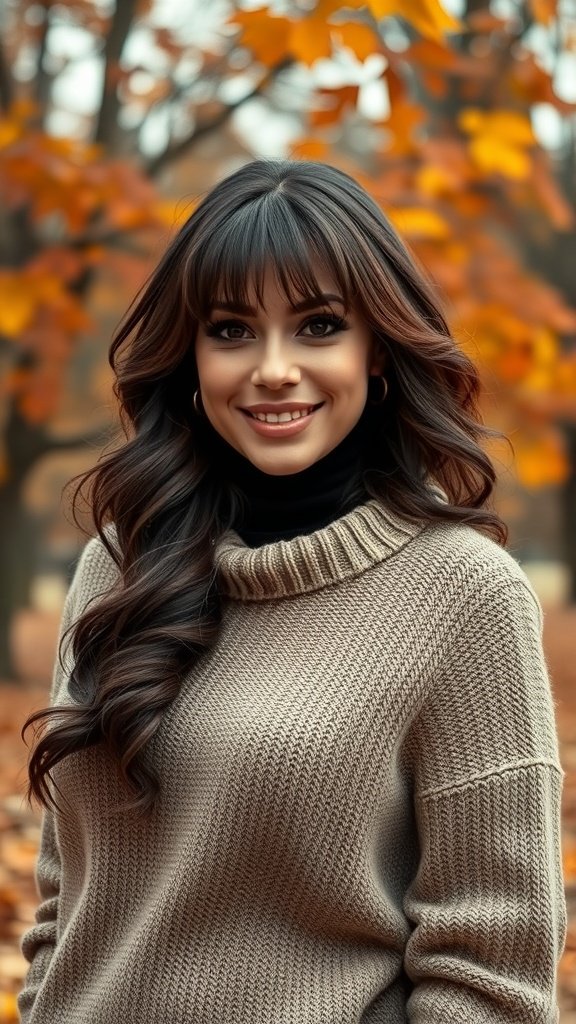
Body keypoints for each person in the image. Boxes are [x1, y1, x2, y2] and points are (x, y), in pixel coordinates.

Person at [19, 158, 567, 1024]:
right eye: (232, 330)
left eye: (318, 326)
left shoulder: (466, 595)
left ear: (375, 347)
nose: (273, 369)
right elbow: (67, 896)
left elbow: (491, 972)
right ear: (191, 354)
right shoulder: (118, 566)